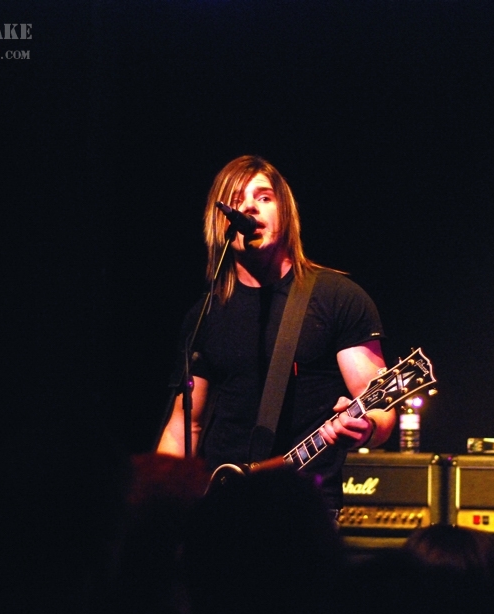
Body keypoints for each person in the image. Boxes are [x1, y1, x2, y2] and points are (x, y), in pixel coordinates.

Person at [156, 155, 395, 513]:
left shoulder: (336, 298)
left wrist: (367, 427)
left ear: (285, 212)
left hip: (304, 511)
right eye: (235, 200)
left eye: (264, 197)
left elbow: (380, 407)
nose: (249, 207)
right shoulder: (205, 313)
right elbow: (184, 426)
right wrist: (158, 505)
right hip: (220, 507)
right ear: (220, 220)